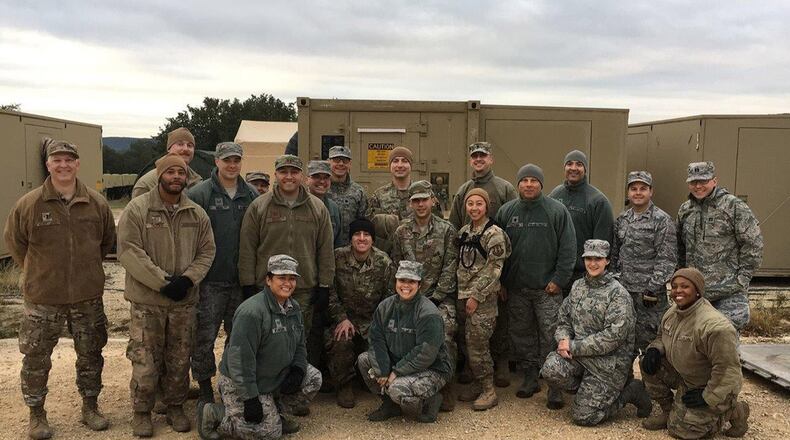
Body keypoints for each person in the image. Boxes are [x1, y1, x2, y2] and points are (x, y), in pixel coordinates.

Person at [4, 139, 116, 439]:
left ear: (78, 164)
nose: (63, 165)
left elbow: (106, 243)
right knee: (36, 358)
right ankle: (36, 414)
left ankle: (90, 406)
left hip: (87, 296)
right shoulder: (29, 204)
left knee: (91, 354)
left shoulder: (96, 204)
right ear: (48, 165)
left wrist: (85, 269)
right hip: (43, 298)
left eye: (69, 160)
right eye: (57, 160)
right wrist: (39, 271)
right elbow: (15, 242)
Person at [118, 152, 216, 436]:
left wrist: (187, 280)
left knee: (179, 358)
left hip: (184, 302)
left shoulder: (196, 213)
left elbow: (207, 250)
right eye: (171, 172)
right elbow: (129, 250)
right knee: (145, 358)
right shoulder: (138, 210)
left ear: (187, 178)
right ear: (159, 176)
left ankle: (175, 406)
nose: (176, 177)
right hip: (148, 302)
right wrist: (163, 282)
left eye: (181, 173)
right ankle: (142, 411)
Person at [197, 255, 323, 440]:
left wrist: (297, 369)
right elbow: (239, 360)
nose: (287, 284)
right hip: (244, 382)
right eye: (282, 278)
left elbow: (300, 346)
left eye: (292, 279)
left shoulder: (293, 308)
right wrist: (250, 398)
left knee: (313, 378)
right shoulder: (252, 312)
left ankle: (273, 414)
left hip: (272, 377)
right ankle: (215, 413)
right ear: (268, 279)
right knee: (269, 433)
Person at [540, 239, 652, 425]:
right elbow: (563, 319)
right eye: (589, 258)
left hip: (607, 364)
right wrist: (563, 339)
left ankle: (630, 392)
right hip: (580, 358)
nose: (592, 263)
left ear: (607, 261)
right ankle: (589, 391)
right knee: (550, 369)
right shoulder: (578, 286)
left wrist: (573, 346)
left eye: (598, 259)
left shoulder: (618, 294)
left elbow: (613, 337)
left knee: (583, 416)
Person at [238, 154, 335, 367]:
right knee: (267, 337)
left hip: (303, 288)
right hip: (267, 288)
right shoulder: (259, 206)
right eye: (284, 172)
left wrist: (325, 285)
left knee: (299, 338)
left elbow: (325, 250)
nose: (289, 176)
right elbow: (247, 247)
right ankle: (268, 385)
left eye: (294, 172)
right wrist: (247, 283)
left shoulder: (317, 208)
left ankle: (295, 386)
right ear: (276, 174)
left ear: (302, 175)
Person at [495, 163, 576, 408]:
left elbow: (568, 249)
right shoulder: (507, 212)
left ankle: (555, 385)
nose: (528, 184)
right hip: (517, 289)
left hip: (547, 291)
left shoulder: (557, 210)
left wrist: (558, 280)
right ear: (517, 184)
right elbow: (498, 252)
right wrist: (502, 282)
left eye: (533, 180)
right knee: (522, 336)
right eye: (524, 180)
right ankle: (530, 376)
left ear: (541, 184)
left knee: (552, 336)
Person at [187, 142, 259, 404]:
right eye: (227, 160)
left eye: (236, 160)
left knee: (238, 337)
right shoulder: (199, 195)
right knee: (203, 337)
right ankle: (205, 386)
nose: (232, 165)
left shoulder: (250, 195)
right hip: (209, 282)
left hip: (240, 282)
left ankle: (230, 381)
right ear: (216, 161)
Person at [640, 268, 749, 438]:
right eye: (674, 286)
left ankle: (734, 410)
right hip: (685, 376)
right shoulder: (673, 312)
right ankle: (669, 411)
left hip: (709, 385)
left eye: (685, 286)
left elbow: (728, 370)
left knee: (683, 432)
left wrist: (708, 396)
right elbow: (662, 336)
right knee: (647, 362)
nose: (678, 291)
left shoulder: (715, 326)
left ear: (698, 291)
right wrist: (655, 348)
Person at [448, 141, 518, 387]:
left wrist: (503, 281)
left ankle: (500, 364)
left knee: (497, 324)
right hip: (469, 273)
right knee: (468, 327)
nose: (478, 159)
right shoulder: (464, 190)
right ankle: (470, 366)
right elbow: (456, 230)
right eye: (474, 156)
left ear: (491, 159)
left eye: (483, 155)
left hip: (494, 273)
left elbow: (509, 238)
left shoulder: (505, 189)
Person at [357, 260, 454, 423]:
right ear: (396, 281)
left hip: (432, 368)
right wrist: (383, 369)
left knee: (397, 389)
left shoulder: (428, 313)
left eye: (412, 281)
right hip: (398, 361)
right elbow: (376, 339)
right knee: (365, 360)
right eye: (402, 280)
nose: (406, 285)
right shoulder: (385, 307)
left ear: (420, 285)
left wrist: (396, 372)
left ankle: (431, 400)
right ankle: (390, 406)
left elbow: (425, 354)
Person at [391, 180, 459, 411]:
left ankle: (446, 386)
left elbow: (451, 266)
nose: (420, 204)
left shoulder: (447, 229)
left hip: (439, 298)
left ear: (433, 200)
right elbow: (396, 267)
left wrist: (435, 299)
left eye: (424, 199)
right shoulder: (401, 231)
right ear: (410, 203)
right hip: (408, 300)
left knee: (446, 336)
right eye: (415, 200)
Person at [676, 161, 763, 331]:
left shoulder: (734, 207)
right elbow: (680, 246)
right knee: (695, 345)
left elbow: (753, 244)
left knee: (724, 345)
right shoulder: (685, 210)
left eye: (703, 181)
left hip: (728, 292)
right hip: (696, 294)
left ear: (714, 181)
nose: (698, 186)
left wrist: (741, 279)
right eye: (693, 182)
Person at [326, 218, 395, 408]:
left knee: (381, 347)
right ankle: (344, 385)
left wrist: (379, 326)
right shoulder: (337, 257)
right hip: (344, 319)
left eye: (367, 235)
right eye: (357, 234)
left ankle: (368, 379)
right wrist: (341, 318)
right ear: (351, 238)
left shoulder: (384, 262)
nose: (362, 238)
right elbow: (329, 293)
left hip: (373, 320)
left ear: (373, 239)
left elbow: (389, 299)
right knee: (341, 340)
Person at [455, 188, 511, 410]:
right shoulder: (464, 232)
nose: (474, 208)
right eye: (470, 204)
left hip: (482, 299)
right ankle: (479, 385)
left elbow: (494, 268)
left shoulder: (494, 233)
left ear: (487, 206)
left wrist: (477, 296)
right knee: (468, 343)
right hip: (462, 295)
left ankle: (489, 390)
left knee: (478, 345)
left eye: (479, 204)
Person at [611, 171, 677, 359]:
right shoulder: (622, 220)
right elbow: (615, 254)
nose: (638, 193)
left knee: (652, 344)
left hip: (649, 297)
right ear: (628, 192)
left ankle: (654, 386)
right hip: (625, 292)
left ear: (651, 191)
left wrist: (653, 288)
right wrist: (615, 282)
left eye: (643, 189)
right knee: (624, 341)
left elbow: (667, 257)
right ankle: (626, 384)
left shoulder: (662, 220)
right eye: (633, 189)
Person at [549, 149, 614, 292]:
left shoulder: (598, 201)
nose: (573, 168)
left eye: (579, 164)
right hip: (556, 275)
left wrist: (593, 275)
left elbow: (603, 244)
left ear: (585, 168)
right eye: (569, 164)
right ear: (564, 168)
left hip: (584, 275)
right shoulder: (555, 195)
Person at [366, 146, 441, 254]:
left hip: (419, 255)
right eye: (395, 161)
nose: (400, 165)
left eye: (404, 161)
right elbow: (372, 230)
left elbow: (438, 226)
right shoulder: (379, 195)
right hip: (389, 256)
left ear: (411, 165)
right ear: (390, 165)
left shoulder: (426, 194)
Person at [132, 127, 203, 198]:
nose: (185, 149)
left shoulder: (197, 181)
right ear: (169, 149)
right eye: (180, 144)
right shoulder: (147, 183)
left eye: (190, 145)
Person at [326, 145, 368, 247]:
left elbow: (363, 222)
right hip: (325, 248)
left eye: (345, 161)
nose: (341, 164)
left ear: (350, 164)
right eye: (336, 160)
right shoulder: (321, 188)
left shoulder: (358, 191)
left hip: (350, 250)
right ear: (328, 162)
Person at [306, 160, 343, 249]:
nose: (322, 181)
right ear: (306, 180)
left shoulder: (333, 208)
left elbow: (338, 243)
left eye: (326, 178)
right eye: (316, 177)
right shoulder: (297, 205)